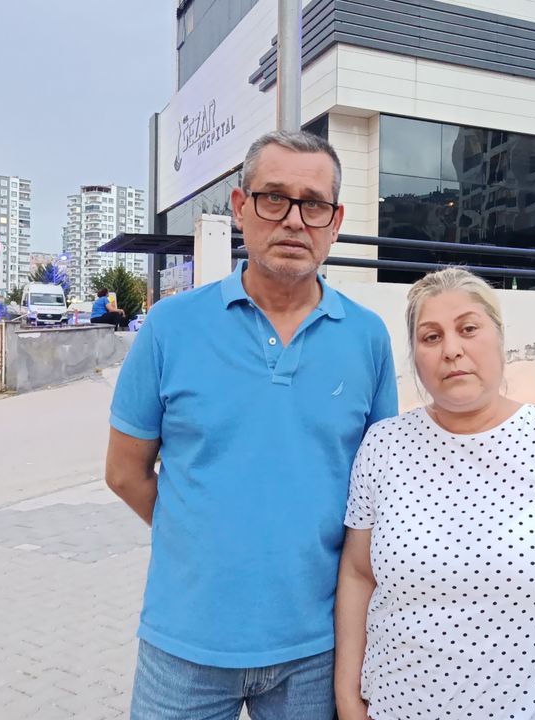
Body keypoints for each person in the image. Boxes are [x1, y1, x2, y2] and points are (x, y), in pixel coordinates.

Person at [106, 130, 399, 720]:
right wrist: (205, 539)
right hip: (185, 643)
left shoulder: (367, 338)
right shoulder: (170, 327)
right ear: (240, 207)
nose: (294, 219)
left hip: (318, 647)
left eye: (313, 204)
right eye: (274, 198)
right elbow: (124, 473)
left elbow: (378, 490)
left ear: (336, 222)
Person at [335, 267, 535, 720]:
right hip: (399, 705)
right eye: (431, 337)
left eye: (468, 329)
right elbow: (357, 572)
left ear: (500, 338)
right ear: (415, 355)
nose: (451, 349)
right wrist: (348, 697)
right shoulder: (383, 446)